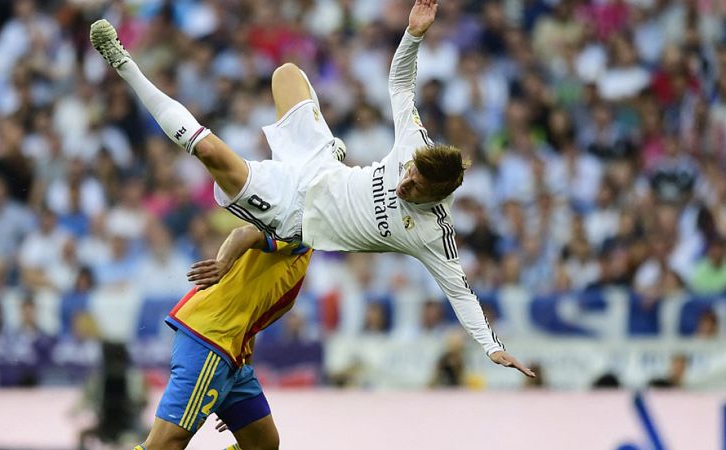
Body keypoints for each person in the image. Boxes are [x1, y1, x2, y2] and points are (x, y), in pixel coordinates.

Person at [90, 0, 532, 377]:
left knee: (210, 153)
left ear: (437, 195)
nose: (404, 182)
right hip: (319, 163)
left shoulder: (434, 234)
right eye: (409, 173)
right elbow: (400, 84)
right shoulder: (415, 146)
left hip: (294, 211)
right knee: (286, 73)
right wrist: (413, 35)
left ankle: (124, 64)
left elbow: (461, 292)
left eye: (415, 186)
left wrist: (492, 347)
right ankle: (328, 148)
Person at [136, 224, 313, 450]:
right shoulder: (298, 229)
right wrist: (222, 264)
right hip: (212, 338)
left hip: (232, 355)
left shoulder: (304, 250)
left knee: (263, 444)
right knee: (165, 444)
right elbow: (244, 233)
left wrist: (238, 376)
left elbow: (251, 319)